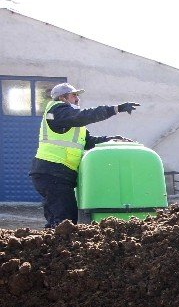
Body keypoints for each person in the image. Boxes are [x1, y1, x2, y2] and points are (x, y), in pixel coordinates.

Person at [29, 82, 140, 228]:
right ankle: (59, 248)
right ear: (62, 98)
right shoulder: (58, 111)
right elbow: (86, 115)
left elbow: (88, 141)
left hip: (56, 174)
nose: (77, 99)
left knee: (61, 219)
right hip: (52, 172)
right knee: (64, 221)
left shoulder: (69, 120)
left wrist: (112, 139)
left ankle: (53, 246)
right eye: (74, 95)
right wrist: (115, 109)